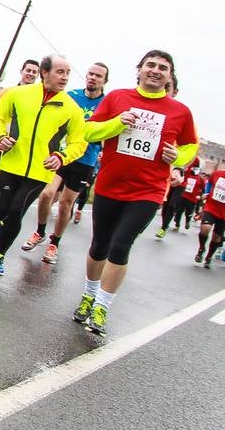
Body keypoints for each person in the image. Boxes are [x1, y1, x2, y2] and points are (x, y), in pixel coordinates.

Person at [71, 50, 197, 335]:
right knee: (99, 245)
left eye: (162, 67)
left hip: (148, 191)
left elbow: (191, 147)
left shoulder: (180, 111)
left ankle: (102, 306)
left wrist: (176, 156)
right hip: (109, 185)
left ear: (169, 76)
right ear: (139, 70)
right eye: (150, 65)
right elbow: (89, 132)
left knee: (120, 246)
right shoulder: (117, 98)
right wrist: (118, 123)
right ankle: (89, 296)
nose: (155, 70)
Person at [0, 56, 87, 275]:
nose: (65, 77)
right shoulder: (19, 94)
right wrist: (0, 138)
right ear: (44, 72)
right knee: (1, 210)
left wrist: (62, 156)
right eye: (60, 72)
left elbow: (79, 141)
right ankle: (0, 224)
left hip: (40, 171)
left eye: (68, 73)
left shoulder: (71, 108)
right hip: (12, 163)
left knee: (16, 210)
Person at [22, 62, 109, 263]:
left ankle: (54, 243)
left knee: (65, 204)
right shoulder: (71, 96)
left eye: (98, 76)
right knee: (46, 194)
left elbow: (108, 130)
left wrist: (103, 149)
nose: (93, 78)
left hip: (85, 159)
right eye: (90, 74)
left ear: (104, 81)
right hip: (62, 154)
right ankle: (40, 231)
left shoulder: (106, 103)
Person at [0, 59, 41, 237]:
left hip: (22, 148)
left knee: (14, 185)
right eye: (28, 70)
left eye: (34, 72)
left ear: (38, 75)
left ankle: (4, 217)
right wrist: (4, 127)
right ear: (21, 71)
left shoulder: (37, 96)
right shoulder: (8, 92)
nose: (30, 74)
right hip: (1, 143)